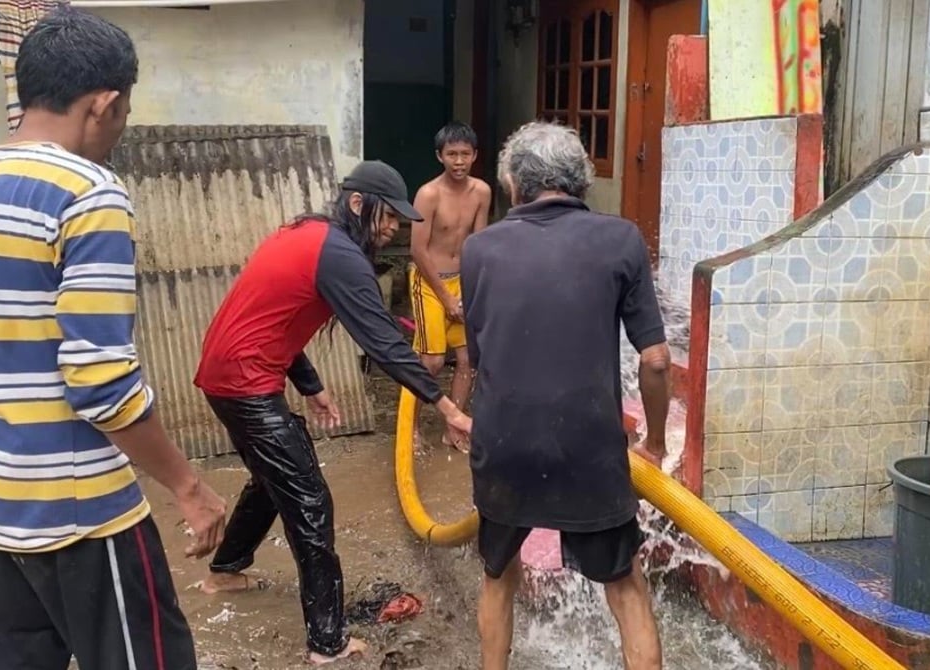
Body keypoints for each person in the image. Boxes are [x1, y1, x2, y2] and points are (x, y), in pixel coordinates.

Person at [0, 9, 227, 670]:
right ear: (104, 104)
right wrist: (188, 486)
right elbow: (100, 383)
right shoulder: (89, 195)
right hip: (74, 512)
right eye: (124, 113)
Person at [193, 160, 473, 665]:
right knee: (310, 500)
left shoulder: (309, 236)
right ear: (358, 204)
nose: (393, 228)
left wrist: (312, 386)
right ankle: (327, 643)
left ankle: (225, 572)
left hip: (231, 373)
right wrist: (447, 406)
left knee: (274, 478)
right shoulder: (338, 253)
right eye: (389, 216)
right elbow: (383, 341)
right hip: (243, 382)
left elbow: (275, 317)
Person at [461, 121, 670, 670]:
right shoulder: (621, 238)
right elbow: (655, 360)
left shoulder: (478, 250)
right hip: (589, 447)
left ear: (513, 183)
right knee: (626, 587)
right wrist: (653, 444)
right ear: (582, 181)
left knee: (498, 576)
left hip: (503, 443)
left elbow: (481, 357)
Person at [408, 122, 491, 452]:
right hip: (430, 281)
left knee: (468, 359)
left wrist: (471, 292)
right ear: (439, 156)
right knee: (431, 361)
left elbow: (479, 244)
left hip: (463, 281)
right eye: (452, 154)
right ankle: (410, 426)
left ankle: (453, 428)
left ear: (475, 156)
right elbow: (417, 250)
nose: (459, 161)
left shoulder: (481, 192)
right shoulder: (428, 194)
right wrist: (446, 298)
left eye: (465, 154)